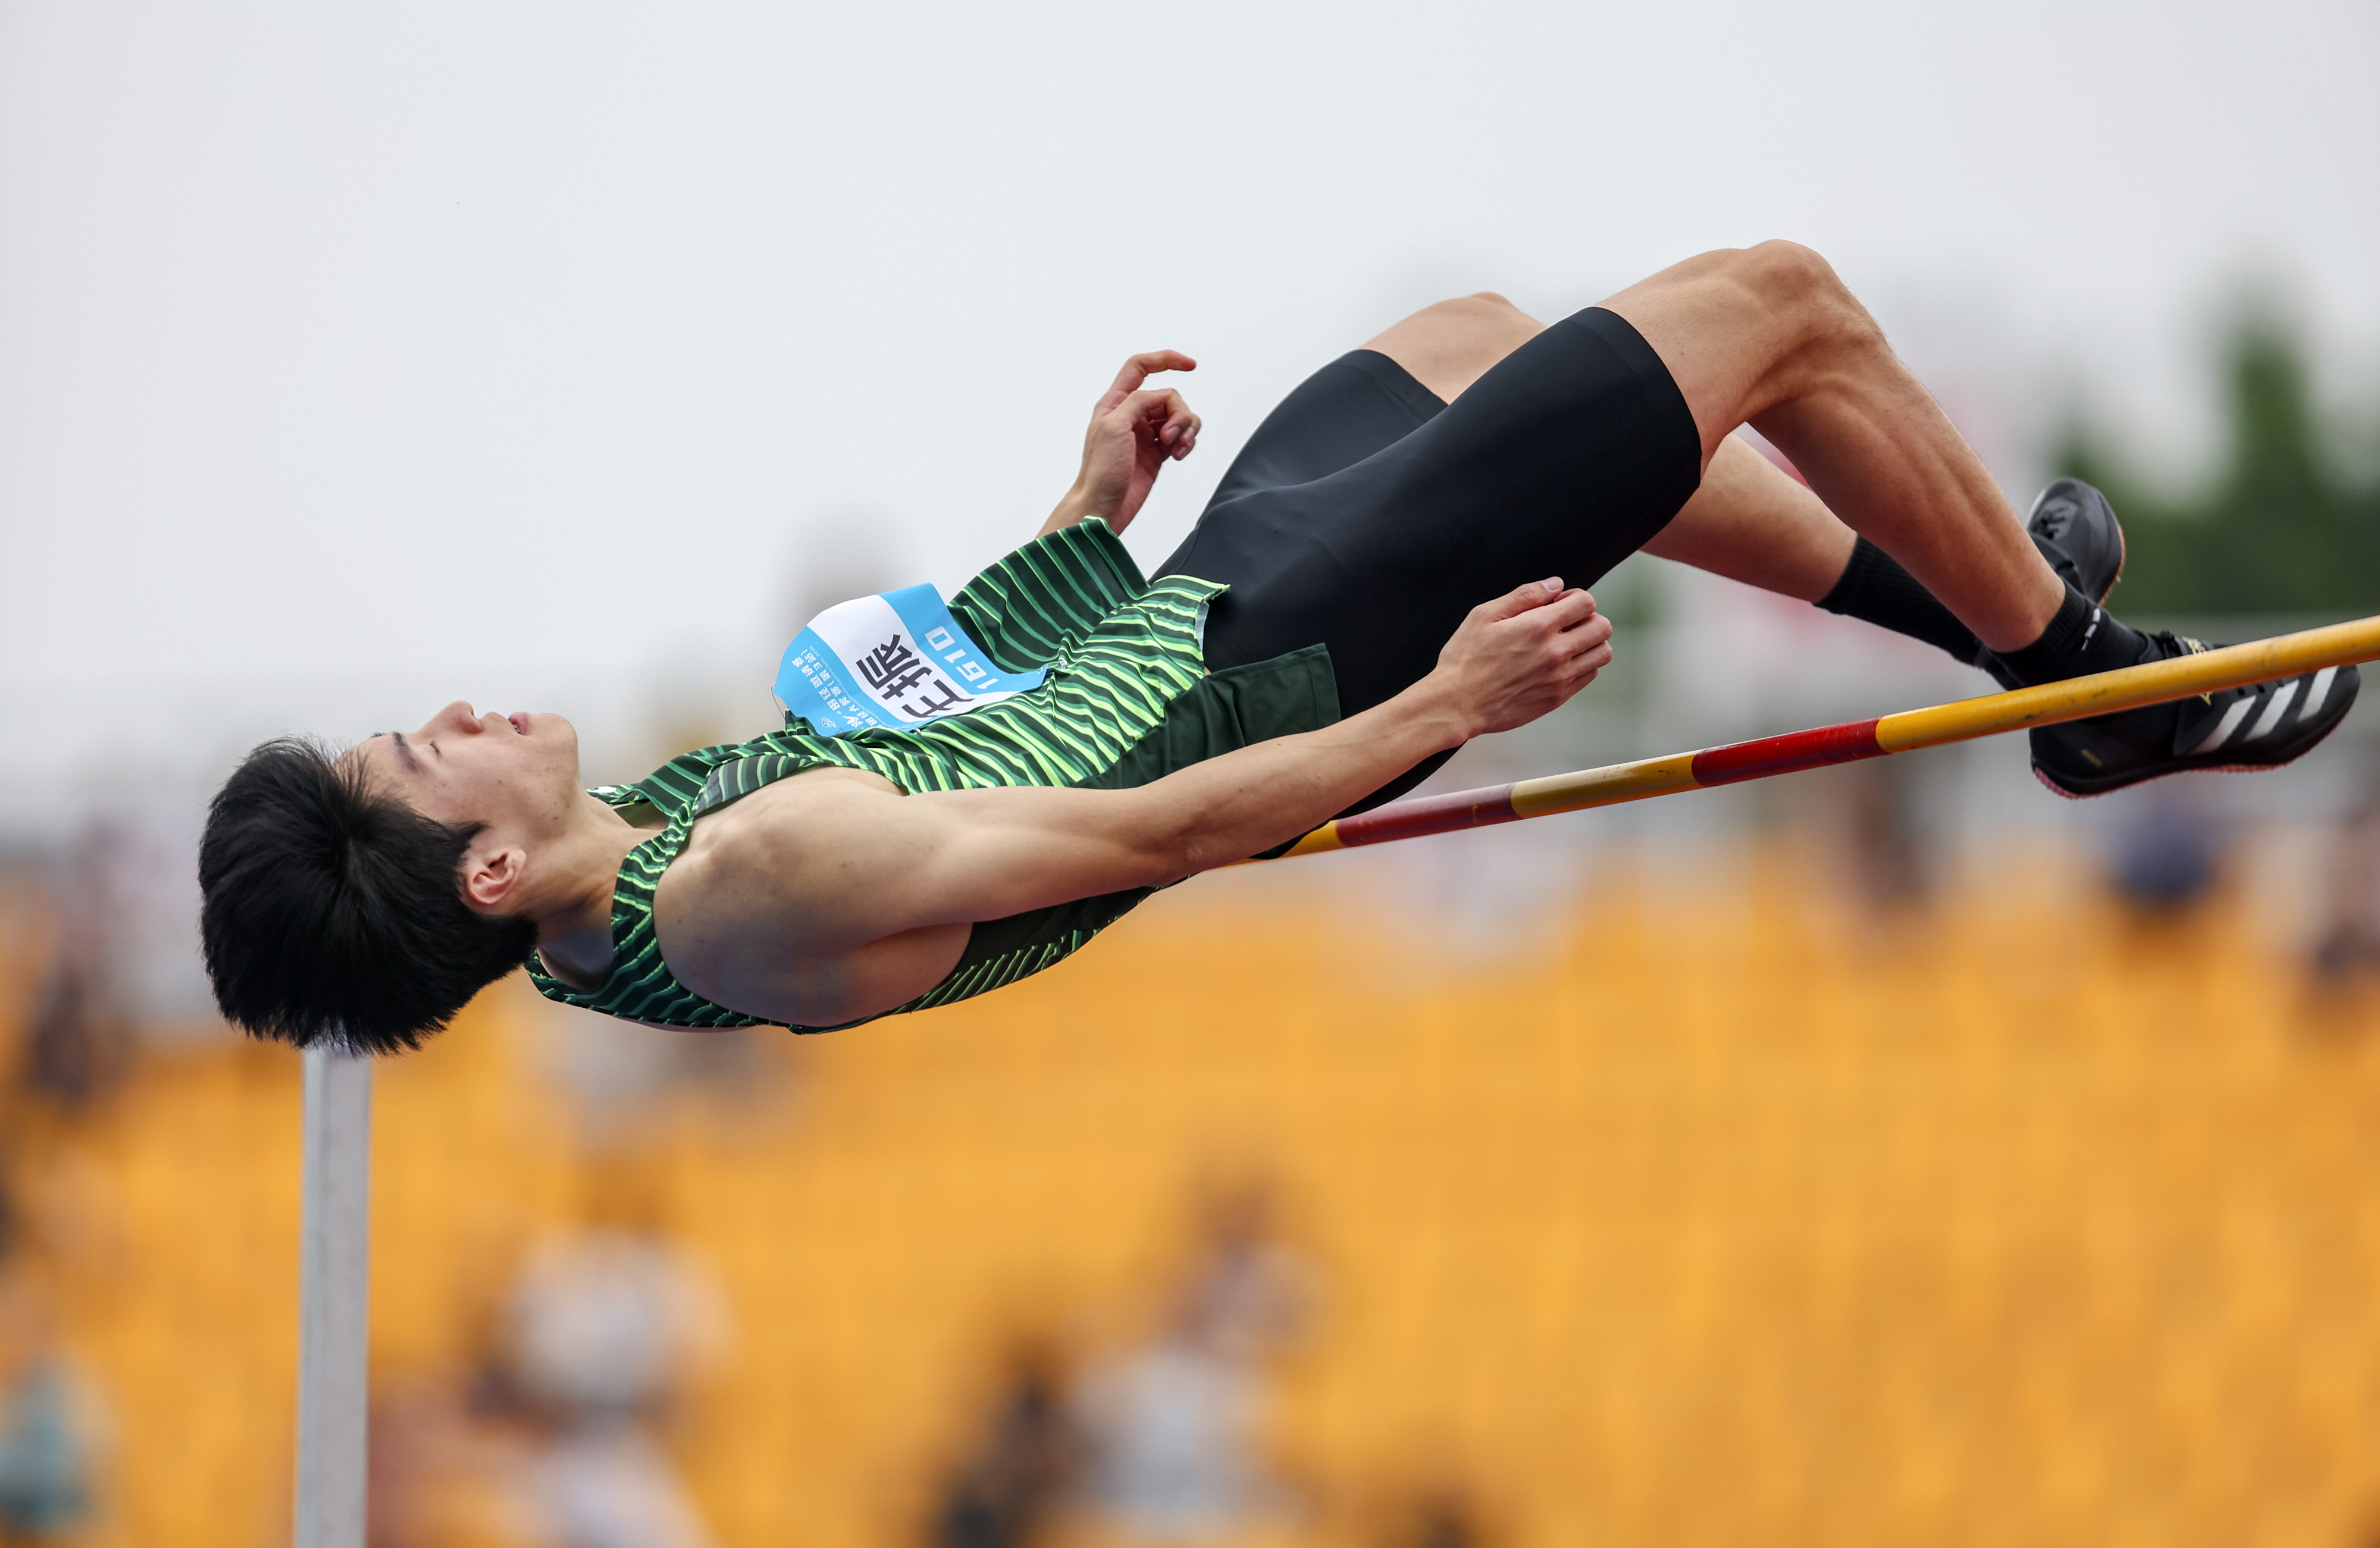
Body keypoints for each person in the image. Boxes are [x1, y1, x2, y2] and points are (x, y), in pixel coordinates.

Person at [198, 243, 2361, 1049]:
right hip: (1309, 666)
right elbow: (1145, 834)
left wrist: (1082, 509)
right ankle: (2087, 673)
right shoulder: (741, 898)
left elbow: (962, 727)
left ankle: (1989, 609)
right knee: (1776, 309)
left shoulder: (632, 882)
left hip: (1206, 602)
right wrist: (1438, 708)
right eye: (431, 748)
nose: (471, 708)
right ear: (478, 872)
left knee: (1485, 340)